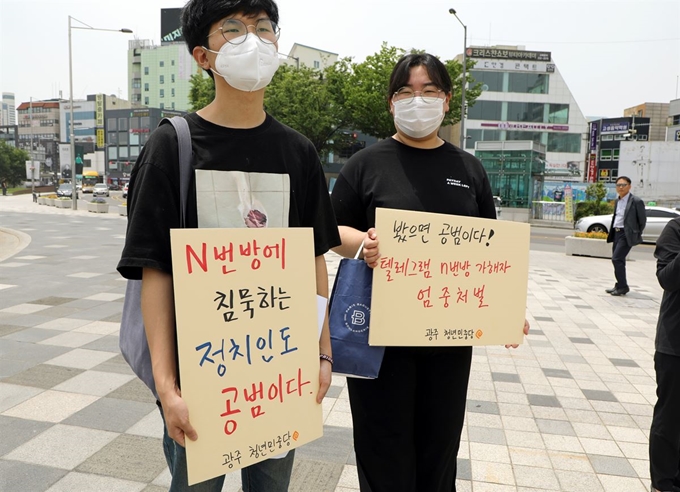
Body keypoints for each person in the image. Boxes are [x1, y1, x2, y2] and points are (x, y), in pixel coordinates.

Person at [117, 0, 340, 490]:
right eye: (233, 30)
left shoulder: (299, 152)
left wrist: (322, 355)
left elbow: (312, 259)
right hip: (198, 379)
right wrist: (167, 385)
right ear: (202, 56)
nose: (254, 41)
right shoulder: (172, 146)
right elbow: (154, 270)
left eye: (264, 28)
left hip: (278, 372)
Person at [330, 53, 529, 492]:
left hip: (449, 339)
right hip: (381, 340)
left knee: (439, 451)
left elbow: (490, 252)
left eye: (429, 91)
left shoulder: (469, 169)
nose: (416, 101)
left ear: (447, 99)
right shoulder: (366, 164)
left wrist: (508, 307)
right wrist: (364, 243)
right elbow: (329, 230)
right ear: (391, 103)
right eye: (405, 92)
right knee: (384, 449)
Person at [649, 216, 680, 492]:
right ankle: (663, 483)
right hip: (676, 344)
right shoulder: (675, 229)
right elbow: (667, 279)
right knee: (671, 417)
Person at [605, 176, 646, 296]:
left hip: (626, 234)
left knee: (616, 259)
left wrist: (635, 233)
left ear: (629, 186)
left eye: (623, 185)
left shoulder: (636, 201)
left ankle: (623, 286)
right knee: (618, 260)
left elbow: (642, 220)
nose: (621, 187)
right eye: (618, 185)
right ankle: (619, 284)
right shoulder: (618, 200)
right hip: (616, 232)